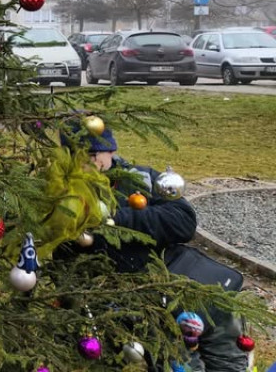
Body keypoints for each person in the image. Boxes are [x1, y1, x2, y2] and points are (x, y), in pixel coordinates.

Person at [60, 126, 245, 372]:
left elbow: (183, 222)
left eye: (95, 154)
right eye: (81, 155)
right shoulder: (64, 195)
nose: (91, 163)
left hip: (190, 282)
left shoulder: (142, 180)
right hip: (142, 308)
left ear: (111, 150)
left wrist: (115, 220)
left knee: (228, 361)